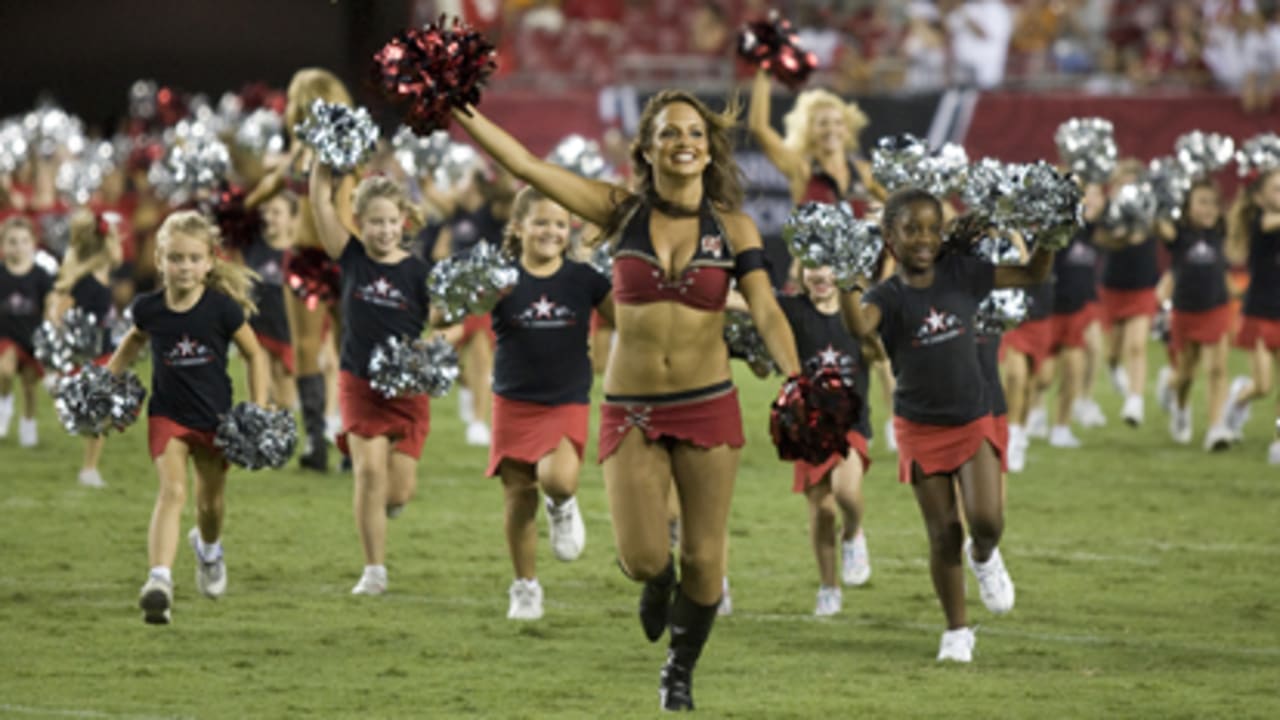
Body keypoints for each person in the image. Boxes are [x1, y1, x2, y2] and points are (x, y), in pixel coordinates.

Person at [453, 90, 801, 710]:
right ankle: (657, 583)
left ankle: (679, 669)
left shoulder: (735, 227)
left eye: (695, 132)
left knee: (705, 559)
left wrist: (797, 378)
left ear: (709, 147)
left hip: (707, 401)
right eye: (669, 133)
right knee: (643, 558)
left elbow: (768, 309)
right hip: (632, 406)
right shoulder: (619, 211)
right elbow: (529, 168)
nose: (684, 142)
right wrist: (459, 109)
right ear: (646, 149)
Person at [840, 189, 1055, 663]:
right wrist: (844, 277)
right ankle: (957, 630)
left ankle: (985, 557)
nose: (923, 238)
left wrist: (1052, 236)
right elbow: (859, 328)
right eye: (911, 229)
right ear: (890, 236)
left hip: (971, 417)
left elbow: (1033, 273)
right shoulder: (886, 295)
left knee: (986, 521)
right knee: (942, 533)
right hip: (919, 426)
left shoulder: (961, 273)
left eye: (932, 229)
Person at [108, 210, 268, 625]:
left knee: (210, 505)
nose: (184, 267)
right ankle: (159, 581)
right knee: (172, 492)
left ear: (210, 261)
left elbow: (255, 354)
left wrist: (259, 406)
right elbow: (131, 343)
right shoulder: (149, 308)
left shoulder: (222, 309)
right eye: (176, 258)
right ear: (160, 259)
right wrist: (107, 382)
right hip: (168, 417)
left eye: (194, 259)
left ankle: (209, 552)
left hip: (215, 421)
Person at [486, 186, 615, 620]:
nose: (550, 231)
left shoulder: (584, 279)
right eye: (540, 222)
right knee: (519, 496)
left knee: (558, 479)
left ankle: (561, 505)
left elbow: (631, 318)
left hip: (564, 399)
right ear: (519, 227)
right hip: (513, 399)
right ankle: (525, 587)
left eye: (560, 224)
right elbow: (444, 318)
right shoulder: (499, 278)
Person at [311, 167, 432, 596]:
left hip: (407, 393)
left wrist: (426, 353)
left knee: (397, 491)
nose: (383, 230)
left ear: (405, 221)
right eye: (374, 221)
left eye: (390, 221)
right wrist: (320, 170)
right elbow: (322, 208)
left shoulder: (419, 274)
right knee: (368, 472)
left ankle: (384, 511)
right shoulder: (354, 257)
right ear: (361, 223)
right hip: (359, 383)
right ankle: (374, 571)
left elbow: (446, 326)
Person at [248, 67, 357, 472]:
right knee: (309, 350)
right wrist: (240, 206)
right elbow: (276, 181)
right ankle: (317, 440)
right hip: (310, 255)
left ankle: (348, 437)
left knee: (350, 350)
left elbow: (346, 194)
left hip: (342, 253)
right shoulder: (300, 145)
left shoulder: (346, 142)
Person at [774, 265, 873, 616]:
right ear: (800, 271)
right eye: (812, 267)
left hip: (851, 424)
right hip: (809, 428)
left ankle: (854, 535)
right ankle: (829, 587)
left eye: (829, 268)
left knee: (845, 493)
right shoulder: (793, 309)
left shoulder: (861, 311)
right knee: (823, 510)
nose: (821, 276)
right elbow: (744, 301)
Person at [46, 209, 125, 486]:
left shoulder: (100, 276)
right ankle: (89, 469)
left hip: (104, 354)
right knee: (98, 413)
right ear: (106, 245)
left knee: (101, 414)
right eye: (116, 239)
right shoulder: (87, 283)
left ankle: (90, 469)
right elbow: (60, 311)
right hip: (88, 357)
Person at [1154, 180, 1233, 450]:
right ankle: (1178, 401)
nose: (1208, 209)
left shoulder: (1221, 231)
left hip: (1217, 308)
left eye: (1212, 202)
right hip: (1186, 312)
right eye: (1201, 202)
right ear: (1187, 206)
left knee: (1218, 369)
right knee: (1186, 374)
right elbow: (1158, 223)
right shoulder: (1178, 233)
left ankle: (1216, 428)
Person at [1094, 161, 1161, 426]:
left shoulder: (1150, 209)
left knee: (1137, 345)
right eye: (1122, 183)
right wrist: (1121, 236)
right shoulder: (1108, 213)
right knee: (1114, 349)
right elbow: (1099, 239)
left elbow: (1166, 233)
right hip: (1113, 287)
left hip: (1143, 286)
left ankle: (1135, 401)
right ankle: (1113, 367)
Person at [1223, 167, 1280, 461]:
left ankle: (1278, 442)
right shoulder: (1262, 222)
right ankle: (1237, 400)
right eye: (1276, 189)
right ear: (1258, 197)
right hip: (1259, 313)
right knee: (1263, 386)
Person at [1049, 183, 1107, 434]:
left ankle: (1084, 400)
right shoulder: (1061, 227)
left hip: (1083, 304)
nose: (1092, 200)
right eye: (1087, 195)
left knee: (1092, 348)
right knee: (1043, 377)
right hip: (1052, 307)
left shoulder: (1097, 229)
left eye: (1096, 195)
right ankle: (1036, 410)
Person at [0, 216, 54, 447]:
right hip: (6, 337)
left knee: (30, 387)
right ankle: (4, 405)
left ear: (33, 243)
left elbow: (50, 304)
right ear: (2, 245)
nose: (18, 246)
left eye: (23, 241)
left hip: (33, 339)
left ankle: (28, 423)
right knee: (5, 370)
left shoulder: (41, 275)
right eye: (12, 241)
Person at [241, 190, 298, 409]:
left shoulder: (298, 254)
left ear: (292, 219)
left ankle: (279, 434)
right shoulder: (253, 244)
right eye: (267, 211)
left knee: (285, 399)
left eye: (277, 212)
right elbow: (243, 208)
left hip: (286, 332)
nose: (270, 217)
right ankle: (257, 431)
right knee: (260, 394)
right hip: (257, 329)